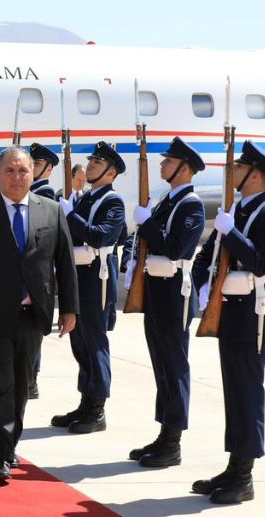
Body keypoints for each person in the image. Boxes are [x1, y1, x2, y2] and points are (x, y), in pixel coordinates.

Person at [0, 145, 78, 484]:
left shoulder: (51, 211)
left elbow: (64, 263)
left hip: (32, 314)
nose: (17, 177)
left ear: (33, 174)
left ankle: (10, 444)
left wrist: (69, 307)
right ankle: (0, 453)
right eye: (10, 171)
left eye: (23, 171)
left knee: (22, 385)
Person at [191, 140, 265, 505]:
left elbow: (260, 261)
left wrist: (231, 232)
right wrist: (202, 280)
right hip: (230, 309)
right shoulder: (237, 209)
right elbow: (208, 254)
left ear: (256, 176)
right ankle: (235, 465)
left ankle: (245, 476)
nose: (232, 172)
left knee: (248, 392)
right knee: (234, 391)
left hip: (254, 315)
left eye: (240, 167)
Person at [125, 136, 205, 468]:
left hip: (174, 293)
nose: (162, 165)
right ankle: (164, 434)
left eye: (168, 162)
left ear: (184, 168)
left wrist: (147, 223)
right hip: (156, 290)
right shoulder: (167, 201)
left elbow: (174, 248)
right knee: (160, 364)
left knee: (174, 366)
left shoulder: (191, 205)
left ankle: (173, 442)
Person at [53, 142, 126, 434]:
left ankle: (97, 409)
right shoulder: (84, 199)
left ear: (111, 172)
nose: (92, 164)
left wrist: (70, 215)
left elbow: (101, 237)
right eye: (92, 160)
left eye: (98, 162)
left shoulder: (112, 202)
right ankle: (86, 402)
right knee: (79, 340)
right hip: (77, 277)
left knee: (94, 342)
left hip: (98, 280)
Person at [26, 142, 60, 398]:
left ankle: (31, 378)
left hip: (37, 270)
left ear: (48, 170)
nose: (31, 168)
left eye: (36, 164)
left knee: (33, 327)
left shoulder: (46, 195)